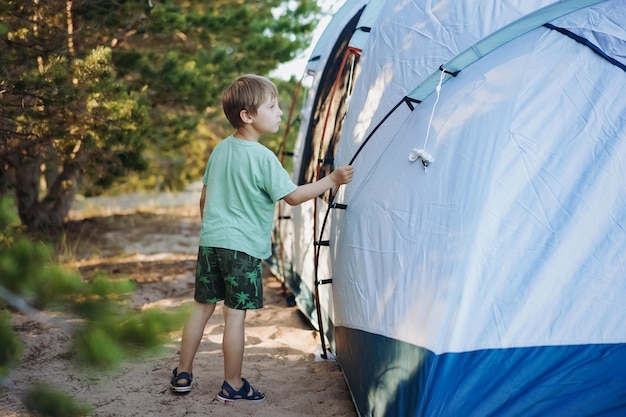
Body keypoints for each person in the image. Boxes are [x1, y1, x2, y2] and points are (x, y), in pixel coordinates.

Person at [169, 74, 354, 403]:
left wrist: (213, 229)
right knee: (234, 317)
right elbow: (294, 197)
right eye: (272, 106)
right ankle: (233, 384)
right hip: (242, 249)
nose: (280, 112)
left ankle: (183, 373)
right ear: (248, 115)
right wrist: (332, 179)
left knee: (200, 309)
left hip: (211, 241)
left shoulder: (220, 150)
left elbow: (204, 198)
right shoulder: (263, 157)